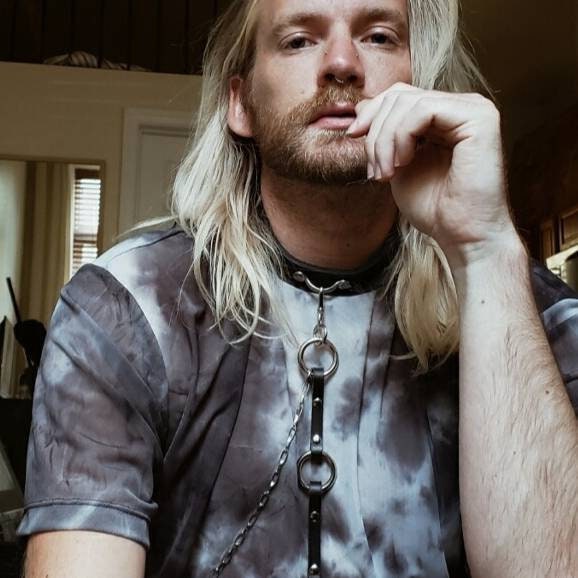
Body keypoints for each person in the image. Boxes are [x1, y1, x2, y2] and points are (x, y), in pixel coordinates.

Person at [18, 0, 578, 576]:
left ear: (424, 84)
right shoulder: (124, 310)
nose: (342, 63)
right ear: (241, 103)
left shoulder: (532, 317)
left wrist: (484, 250)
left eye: (379, 37)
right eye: (299, 40)